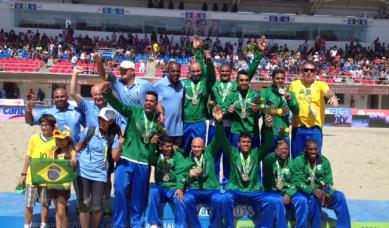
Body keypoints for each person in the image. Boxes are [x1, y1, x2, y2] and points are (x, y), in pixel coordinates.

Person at [100, 82, 162, 227]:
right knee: (120, 193)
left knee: (138, 198)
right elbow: (119, 106)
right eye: (146, 100)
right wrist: (107, 94)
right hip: (126, 158)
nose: (148, 103)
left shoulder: (158, 123)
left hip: (143, 162)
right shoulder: (134, 111)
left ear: (156, 103)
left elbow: (156, 148)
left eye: (152, 101)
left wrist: (154, 143)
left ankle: (136, 224)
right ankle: (119, 225)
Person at [70, 66, 126, 215]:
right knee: (83, 175)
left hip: (108, 143)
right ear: (92, 95)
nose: (98, 97)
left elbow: (122, 126)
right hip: (89, 143)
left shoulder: (113, 108)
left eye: (100, 94)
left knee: (106, 176)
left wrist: (120, 140)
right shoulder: (88, 106)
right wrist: (75, 74)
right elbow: (73, 93)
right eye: (95, 95)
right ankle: (83, 202)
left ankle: (106, 202)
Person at [217, 109, 287, 228]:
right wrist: (219, 123)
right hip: (236, 190)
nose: (246, 144)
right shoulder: (233, 153)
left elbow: (268, 144)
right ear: (238, 143)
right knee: (224, 198)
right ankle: (229, 226)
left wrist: (269, 129)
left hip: (254, 191)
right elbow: (223, 140)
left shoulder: (256, 154)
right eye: (243, 142)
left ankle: (262, 226)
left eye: (248, 142)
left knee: (272, 201)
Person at [209, 36, 266, 181]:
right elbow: (208, 73)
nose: (225, 74)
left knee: (230, 154)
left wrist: (259, 53)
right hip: (218, 123)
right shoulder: (214, 85)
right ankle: (215, 179)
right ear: (219, 72)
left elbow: (249, 72)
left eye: (227, 72)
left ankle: (228, 179)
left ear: (231, 73)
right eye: (222, 72)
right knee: (215, 152)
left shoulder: (236, 85)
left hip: (233, 125)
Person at [71, 107, 120, 228]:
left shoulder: (113, 137)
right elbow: (77, 148)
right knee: (85, 204)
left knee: (97, 207)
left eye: (106, 120)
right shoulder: (90, 131)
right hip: (82, 172)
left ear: (111, 122)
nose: (102, 122)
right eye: (101, 119)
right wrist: (73, 156)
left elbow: (115, 158)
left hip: (100, 174)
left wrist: (120, 143)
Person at [182, 107, 227, 227]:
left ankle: (214, 225)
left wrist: (218, 123)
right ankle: (196, 226)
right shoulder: (187, 161)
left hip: (211, 189)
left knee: (219, 198)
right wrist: (189, 176)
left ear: (204, 147)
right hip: (195, 190)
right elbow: (183, 179)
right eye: (194, 146)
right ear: (191, 147)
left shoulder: (210, 153)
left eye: (199, 147)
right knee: (186, 200)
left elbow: (218, 138)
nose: (196, 149)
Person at [292, 140, 351, 228]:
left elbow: (329, 181)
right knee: (315, 197)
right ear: (305, 149)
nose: (313, 152)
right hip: (306, 194)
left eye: (315, 149)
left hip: (322, 193)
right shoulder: (298, 161)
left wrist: (326, 192)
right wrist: (312, 190)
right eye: (310, 149)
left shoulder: (324, 161)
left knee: (340, 196)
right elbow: (297, 181)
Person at [289, 61, 338, 158]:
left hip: (315, 129)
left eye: (312, 70)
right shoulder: (294, 85)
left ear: (315, 73)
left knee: (315, 158)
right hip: (298, 128)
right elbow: (289, 101)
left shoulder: (321, 84)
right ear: (301, 72)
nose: (308, 72)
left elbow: (328, 91)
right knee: (297, 159)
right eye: (306, 70)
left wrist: (332, 96)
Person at [18, 114, 57, 228]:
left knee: (45, 203)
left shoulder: (56, 140)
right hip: (32, 177)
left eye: (47, 125)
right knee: (29, 203)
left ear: (52, 126)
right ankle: (26, 225)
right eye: (42, 125)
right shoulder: (34, 138)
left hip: (47, 177)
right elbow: (28, 157)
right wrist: (23, 174)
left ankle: (43, 224)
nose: (44, 127)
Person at [181, 37, 216, 156]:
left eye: (198, 71)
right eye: (193, 71)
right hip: (185, 122)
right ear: (189, 72)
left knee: (199, 151)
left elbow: (211, 76)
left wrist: (208, 61)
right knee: (184, 150)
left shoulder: (205, 83)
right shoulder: (183, 84)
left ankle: (200, 172)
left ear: (201, 71)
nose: (195, 74)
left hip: (200, 123)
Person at [262, 141, 308, 227]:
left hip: (287, 191)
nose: (284, 151)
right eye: (282, 149)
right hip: (273, 191)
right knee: (279, 201)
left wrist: (289, 194)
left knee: (302, 200)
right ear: (276, 150)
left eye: (286, 149)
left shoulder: (291, 163)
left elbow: (295, 181)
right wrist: (274, 155)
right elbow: (267, 160)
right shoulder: (270, 161)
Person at [147, 136, 186, 228]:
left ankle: (180, 225)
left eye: (171, 146)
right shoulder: (157, 156)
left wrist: (180, 187)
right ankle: (154, 223)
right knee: (153, 191)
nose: (170, 148)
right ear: (160, 147)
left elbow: (181, 172)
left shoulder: (177, 155)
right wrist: (152, 145)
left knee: (179, 198)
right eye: (167, 146)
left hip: (173, 187)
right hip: (161, 187)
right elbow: (150, 158)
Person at [259, 69, 299, 149]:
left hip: (284, 133)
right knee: (268, 160)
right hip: (268, 132)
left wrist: (290, 100)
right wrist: (278, 111)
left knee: (283, 159)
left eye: (282, 78)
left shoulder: (290, 93)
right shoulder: (265, 92)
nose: (280, 81)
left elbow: (296, 111)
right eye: (277, 78)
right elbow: (261, 108)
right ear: (273, 79)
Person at [153, 62, 184, 146]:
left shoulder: (182, 85)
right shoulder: (158, 85)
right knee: (163, 157)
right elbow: (152, 101)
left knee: (177, 156)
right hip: (164, 130)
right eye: (173, 71)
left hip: (179, 131)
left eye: (178, 71)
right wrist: (160, 112)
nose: (176, 73)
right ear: (167, 71)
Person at [49, 127, 74, 228]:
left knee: (60, 212)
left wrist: (73, 161)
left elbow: (74, 160)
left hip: (64, 186)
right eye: (57, 139)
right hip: (53, 184)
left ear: (68, 139)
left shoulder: (71, 152)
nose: (60, 142)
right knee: (60, 212)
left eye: (62, 139)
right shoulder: (54, 152)